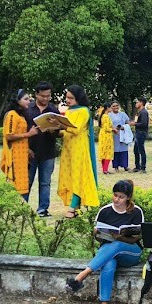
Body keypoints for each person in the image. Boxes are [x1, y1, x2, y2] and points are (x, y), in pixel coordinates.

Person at [65, 180, 143, 304]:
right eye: (115, 195)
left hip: (130, 253)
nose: (117, 199)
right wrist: (97, 234)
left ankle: (82, 275)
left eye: (121, 197)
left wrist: (119, 237)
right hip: (108, 251)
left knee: (117, 244)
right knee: (108, 264)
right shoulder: (105, 211)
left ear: (128, 198)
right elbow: (99, 240)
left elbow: (134, 239)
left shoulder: (136, 211)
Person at [58, 85, 99, 218]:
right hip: (67, 149)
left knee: (78, 176)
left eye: (71, 98)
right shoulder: (69, 111)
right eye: (67, 98)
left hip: (79, 149)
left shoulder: (84, 111)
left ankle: (72, 208)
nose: (68, 100)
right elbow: (64, 131)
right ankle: (74, 206)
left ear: (78, 98)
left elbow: (76, 129)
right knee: (69, 176)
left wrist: (62, 124)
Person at [25, 81, 62, 217]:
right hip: (29, 152)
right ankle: (23, 208)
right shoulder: (27, 109)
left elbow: (58, 133)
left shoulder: (53, 110)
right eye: (43, 96)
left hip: (48, 152)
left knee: (45, 182)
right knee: (27, 181)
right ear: (36, 95)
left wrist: (54, 129)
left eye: (48, 96)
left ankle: (43, 209)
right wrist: (26, 148)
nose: (46, 99)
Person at [1, 89, 39, 201]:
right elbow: (8, 136)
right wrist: (29, 134)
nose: (29, 101)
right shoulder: (12, 114)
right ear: (17, 100)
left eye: (29, 99)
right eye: (26, 99)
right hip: (14, 157)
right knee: (15, 185)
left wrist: (27, 150)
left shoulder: (20, 115)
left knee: (23, 184)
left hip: (22, 157)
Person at [107, 101, 132, 172]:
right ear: (111, 107)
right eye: (113, 106)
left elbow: (128, 122)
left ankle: (125, 166)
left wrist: (124, 127)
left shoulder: (123, 114)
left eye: (117, 105)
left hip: (123, 134)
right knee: (115, 150)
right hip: (114, 135)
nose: (115, 107)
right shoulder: (109, 115)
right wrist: (113, 129)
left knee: (124, 150)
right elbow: (107, 125)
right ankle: (116, 166)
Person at [129, 97, 150, 173]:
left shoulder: (144, 112)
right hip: (138, 133)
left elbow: (144, 124)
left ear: (141, 103)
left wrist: (134, 123)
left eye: (137, 102)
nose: (136, 104)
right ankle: (137, 167)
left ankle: (143, 168)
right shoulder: (140, 112)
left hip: (141, 133)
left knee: (141, 150)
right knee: (136, 150)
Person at [97, 102, 114, 175]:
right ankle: (105, 169)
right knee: (107, 152)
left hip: (102, 135)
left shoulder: (102, 116)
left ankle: (104, 169)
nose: (112, 108)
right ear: (107, 108)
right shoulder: (106, 116)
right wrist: (113, 129)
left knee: (103, 151)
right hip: (107, 135)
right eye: (111, 107)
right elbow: (107, 128)